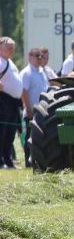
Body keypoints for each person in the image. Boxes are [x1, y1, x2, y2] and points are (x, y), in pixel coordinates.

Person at [20, 48, 48, 167]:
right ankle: (28, 161)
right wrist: (28, 108)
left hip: (43, 111)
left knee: (40, 138)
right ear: (30, 57)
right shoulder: (26, 72)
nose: (40, 58)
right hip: (32, 111)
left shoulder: (41, 71)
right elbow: (24, 91)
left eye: (41, 56)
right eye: (37, 56)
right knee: (30, 138)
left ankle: (38, 161)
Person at [0, 37, 22, 169]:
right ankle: (1, 161)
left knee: (10, 132)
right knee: (2, 131)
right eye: (9, 48)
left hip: (13, 102)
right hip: (4, 100)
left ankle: (8, 160)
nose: (12, 50)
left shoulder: (8, 62)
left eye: (13, 48)